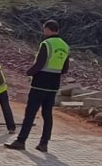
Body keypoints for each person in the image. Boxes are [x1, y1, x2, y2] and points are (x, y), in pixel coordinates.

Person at [5, 20, 70, 152]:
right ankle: (44, 143)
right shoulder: (65, 46)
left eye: (44, 29)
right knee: (47, 114)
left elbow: (40, 63)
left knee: (30, 113)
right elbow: (65, 69)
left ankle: (21, 141)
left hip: (40, 83)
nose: (43, 32)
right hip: (53, 85)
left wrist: (29, 72)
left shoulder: (46, 43)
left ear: (47, 29)